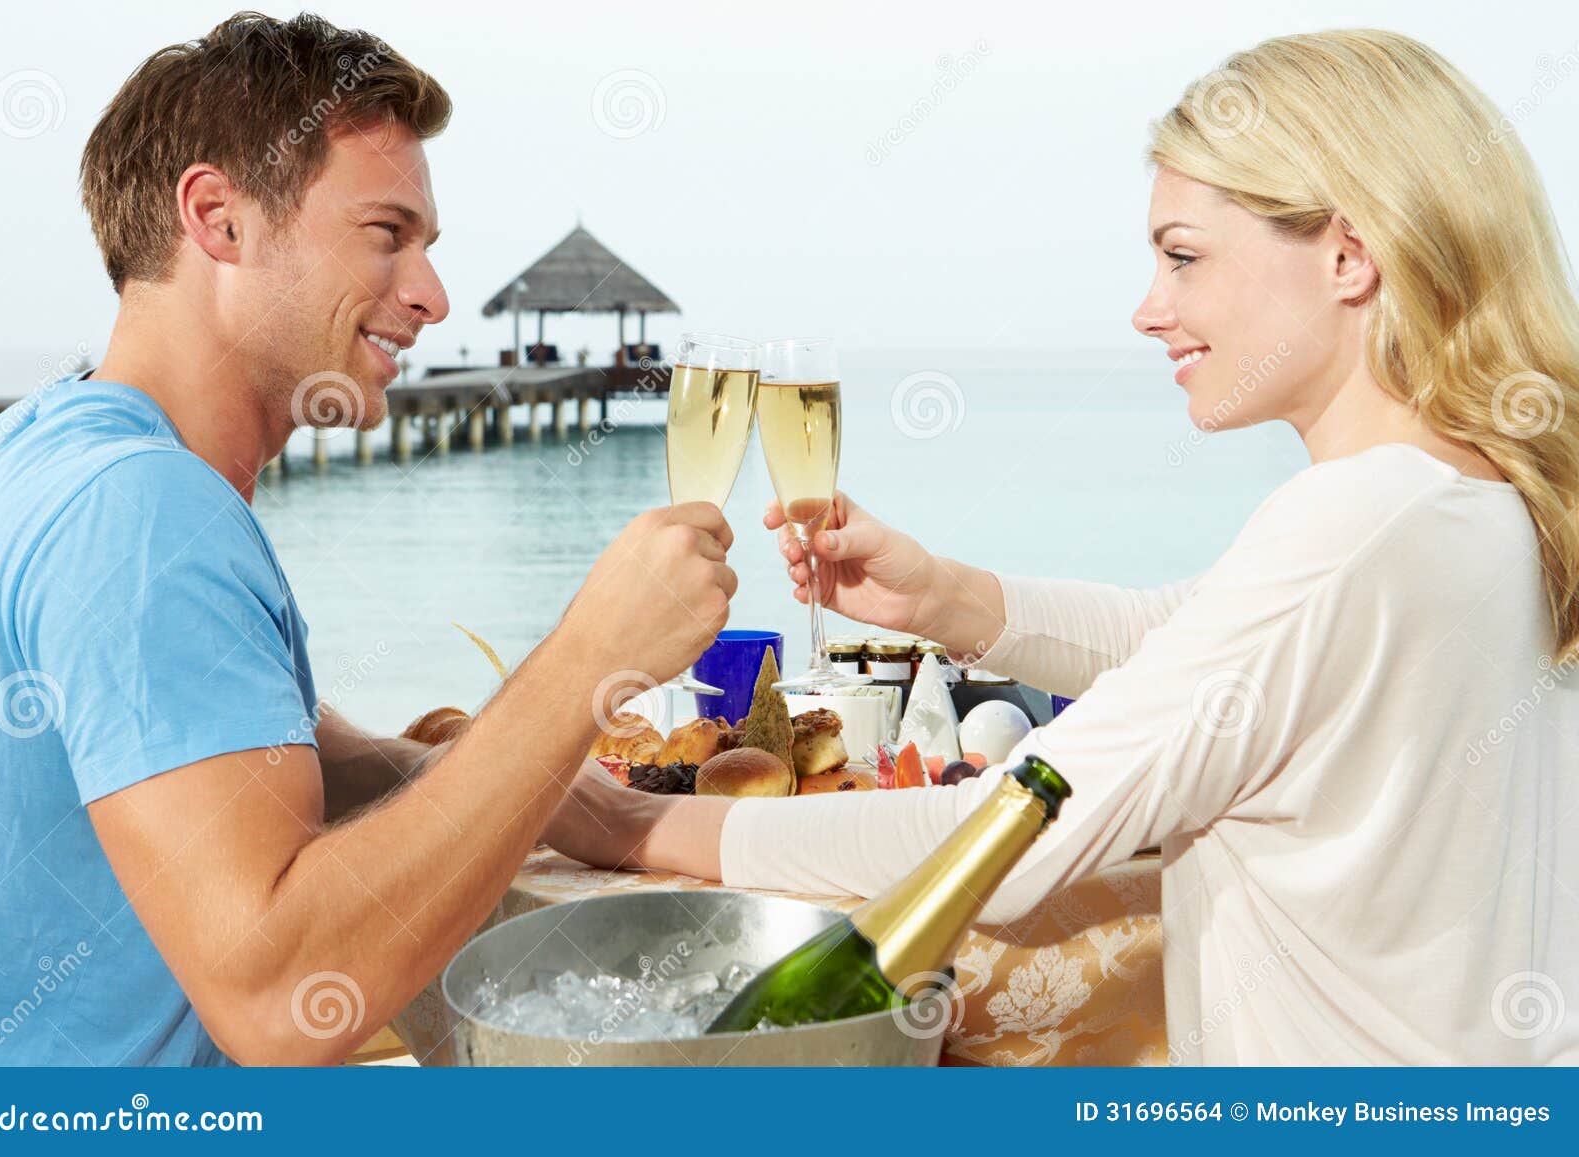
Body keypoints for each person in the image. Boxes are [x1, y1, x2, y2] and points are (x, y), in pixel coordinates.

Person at [542, 29, 1579, 1063]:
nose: (1147, 309)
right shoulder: (1485, 499)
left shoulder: (1351, 527)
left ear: (1348, 255)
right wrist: (946, 597)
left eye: (1183, 256)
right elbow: (1198, 642)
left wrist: (629, 825)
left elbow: (1009, 830)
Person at [0, 12, 735, 1065]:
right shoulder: (146, 514)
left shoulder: (39, 446)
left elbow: (219, 740)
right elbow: (284, 997)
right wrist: (583, 667)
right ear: (220, 219)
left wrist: (511, 778)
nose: (430, 295)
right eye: (386, 235)